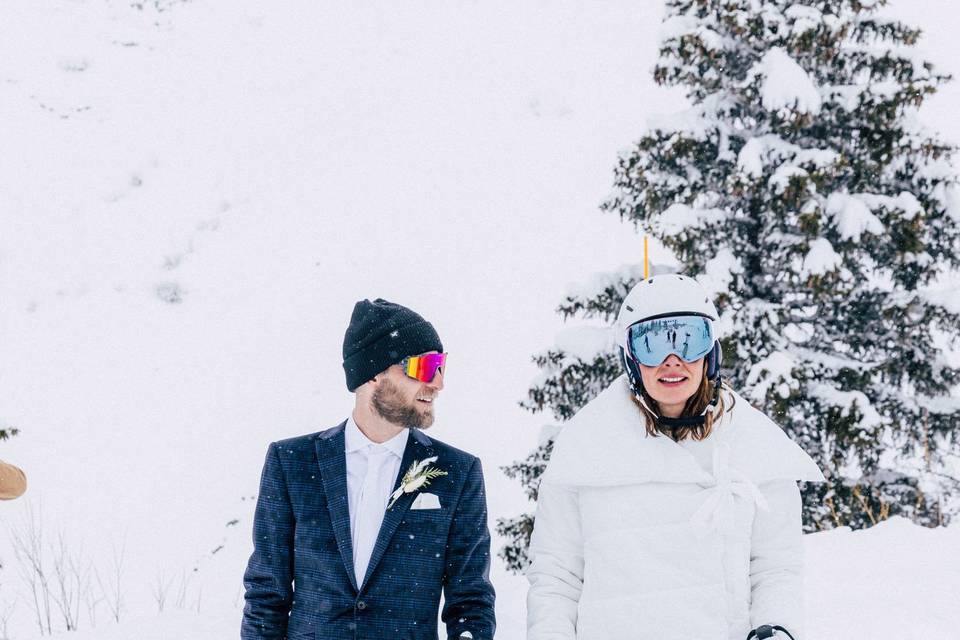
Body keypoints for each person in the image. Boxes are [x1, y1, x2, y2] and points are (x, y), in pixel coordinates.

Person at [526, 274, 824, 640]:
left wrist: (777, 628)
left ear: (710, 353)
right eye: (652, 344)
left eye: (688, 340)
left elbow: (776, 568)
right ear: (631, 357)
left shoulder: (754, 446)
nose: (672, 361)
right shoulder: (586, 448)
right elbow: (557, 578)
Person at [242, 298, 495, 640]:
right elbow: (266, 594)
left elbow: (470, 602)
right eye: (424, 367)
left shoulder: (458, 473)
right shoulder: (292, 463)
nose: (437, 383)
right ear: (374, 372)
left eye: (441, 366)